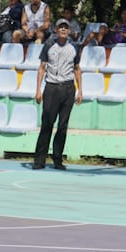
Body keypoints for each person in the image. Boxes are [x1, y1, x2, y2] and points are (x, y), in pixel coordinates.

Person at [32, 18, 83, 170]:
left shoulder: (74, 47)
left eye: (65, 27)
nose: (63, 29)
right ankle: (39, 160)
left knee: (62, 126)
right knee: (47, 123)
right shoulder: (49, 45)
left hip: (68, 88)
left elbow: (77, 69)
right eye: (60, 27)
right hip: (52, 87)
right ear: (56, 30)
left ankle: (58, 159)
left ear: (69, 31)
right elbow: (42, 67)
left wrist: (80, 90)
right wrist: (38, 89)